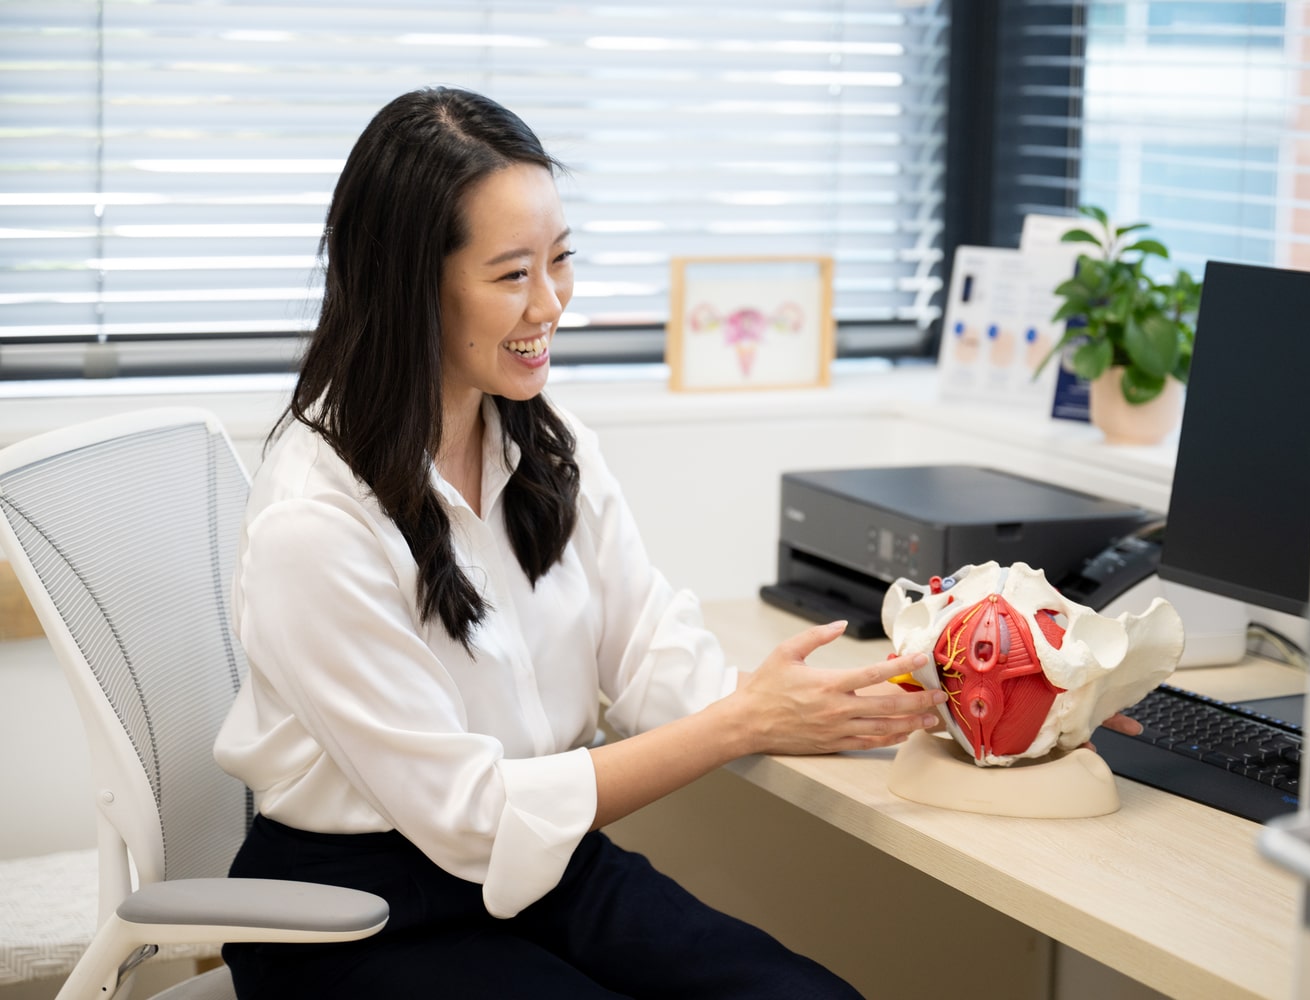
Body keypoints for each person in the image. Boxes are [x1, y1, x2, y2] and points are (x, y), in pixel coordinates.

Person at [212, 86, 949, 999]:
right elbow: (473, 818)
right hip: (356, 911)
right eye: (513, 274)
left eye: (561, 261)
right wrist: (739, 726)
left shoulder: (538, 439)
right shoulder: (312, 522)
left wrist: (934, 700)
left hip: (543, 872)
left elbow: (649, 655)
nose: (552, 303)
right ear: (413, 287)